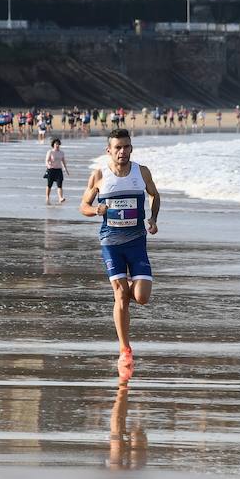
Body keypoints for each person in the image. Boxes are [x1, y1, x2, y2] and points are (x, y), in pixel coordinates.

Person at [79, 128, 160, 383]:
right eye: (118, 148)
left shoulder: (141, 171)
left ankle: (126, 307)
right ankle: (125, 350)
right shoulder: (100, 175)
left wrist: (153, 218)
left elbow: (155, 195)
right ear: (109, 151)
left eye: (126, 147)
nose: (122, 152)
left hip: (137, 242)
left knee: (141, 297)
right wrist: (96, 210)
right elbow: (83, 206)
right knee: (120, 294)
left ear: (131, 148)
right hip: (110, 243)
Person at [44, 137, 69, 204]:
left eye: (58, 144)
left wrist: (66, 169)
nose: (57, 145)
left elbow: (63, 161)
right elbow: (46, 160)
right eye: (56, 144)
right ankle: (47, 197)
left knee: (60, 185)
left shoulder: (61, 153)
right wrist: (48, 165)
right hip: (51, 170)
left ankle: (60, 198)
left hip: (58, 170)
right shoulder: (50, 152)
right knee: (49, 185)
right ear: (53, 145)